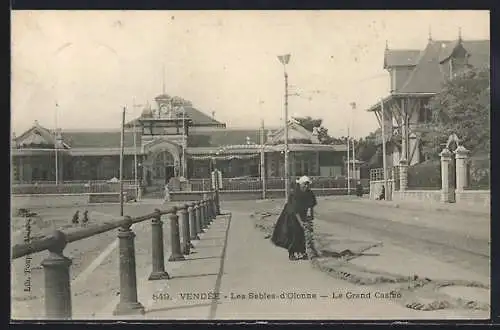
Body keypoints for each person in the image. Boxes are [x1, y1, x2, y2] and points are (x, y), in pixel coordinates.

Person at [271, 176, 318, 261]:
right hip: (291, 214)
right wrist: (301, 223)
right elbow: (295, 211)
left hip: (302, 213)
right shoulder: (295, 194)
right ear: (300, 184)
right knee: (294, 233)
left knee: (304, 234)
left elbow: (311, 206)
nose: (306, 186)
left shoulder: (310, 193)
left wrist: (310, 219)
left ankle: (303, 252)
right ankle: (291, 253)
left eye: (308, 184)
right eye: (304, 184)